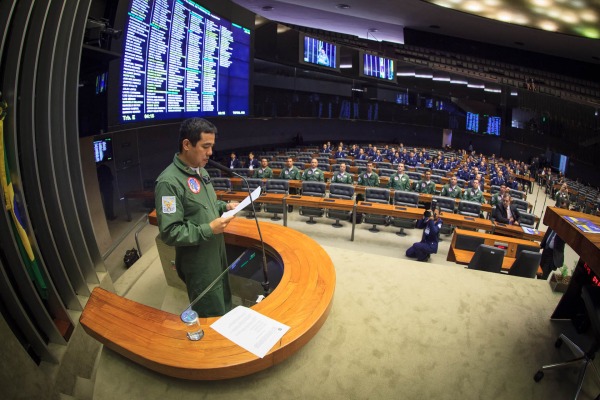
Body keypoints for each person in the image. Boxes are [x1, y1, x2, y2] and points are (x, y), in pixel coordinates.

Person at [154, 118, 239, 317]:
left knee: (224, 297)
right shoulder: (169, 182)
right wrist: (209, 229)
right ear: (186, 145)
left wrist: (224, 206)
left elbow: (204, 205)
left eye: (212, 146)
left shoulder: (200, 170)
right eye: (205, 146)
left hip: (215, 250)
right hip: (198, 261)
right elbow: (169, 232)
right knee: (210, 309)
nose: (210, 152)